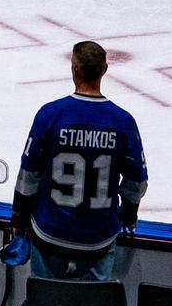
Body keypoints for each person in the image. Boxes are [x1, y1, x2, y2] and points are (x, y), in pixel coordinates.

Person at [11, 40, 148, 282]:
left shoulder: (50, 114)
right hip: (98, 239)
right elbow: (137, 180)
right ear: (104, 70)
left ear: (74, 69)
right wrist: (129, 215)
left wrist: (19, 219)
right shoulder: (123, 122)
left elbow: (29, 175)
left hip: (50, 233)